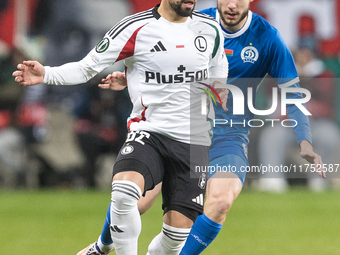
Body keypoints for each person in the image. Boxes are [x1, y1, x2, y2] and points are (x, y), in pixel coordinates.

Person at [76, 0, 327, 254]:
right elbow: (156, 61)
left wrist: (304, 140)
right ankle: (102, 246)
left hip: (228, 138)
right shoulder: (192, 22)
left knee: (219, 204)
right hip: (179, 130)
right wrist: (129, 77)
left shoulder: (267, 37)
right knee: (136, 202)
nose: (231, 4)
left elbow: (293, 93)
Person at [13, 1, 229, 254]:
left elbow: (216, 75)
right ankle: (107, 248)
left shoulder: (210, 29)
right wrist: (46, 74)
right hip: (149, 133)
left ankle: (105, 247)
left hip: (193, 142)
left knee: (174, 241)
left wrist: (215, 99)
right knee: (124, 192)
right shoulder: (134, 27)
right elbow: (86, 68)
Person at [258, 37, 339, 192]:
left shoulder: (325, 75)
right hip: (287, 124)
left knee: (331, 136)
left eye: (307, 54)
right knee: (270, 136)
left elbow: (325, 105)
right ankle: (272, 180)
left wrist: (308, 78)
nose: (303, 57)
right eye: (300, 53)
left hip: (315, 124)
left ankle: (318, 179)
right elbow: (273, 98)